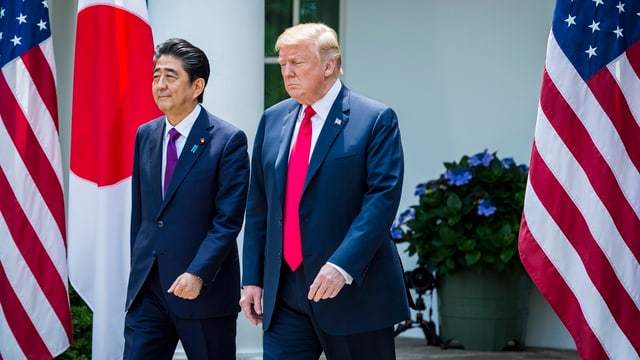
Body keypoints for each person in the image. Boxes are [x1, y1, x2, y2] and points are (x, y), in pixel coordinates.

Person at [240, 23, 410, 359]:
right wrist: (253, 279)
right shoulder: (272, 120)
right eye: (283, 64)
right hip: (284, 293)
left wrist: (342, 266)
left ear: (329, 66)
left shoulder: (374, 119)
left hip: (352, 290)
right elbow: (259, 205)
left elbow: (382, 199)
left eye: (298, 63)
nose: (287, 72)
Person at [124, 38, 249, 360]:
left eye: (170, 76)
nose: (160, 85)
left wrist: (198, 273)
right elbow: (143, 215)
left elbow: (228, 220)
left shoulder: (228, 140)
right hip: (149, 290)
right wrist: (138, 269)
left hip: (202, 291)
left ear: (197, 86)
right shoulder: (145, 135)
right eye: (156, 76)